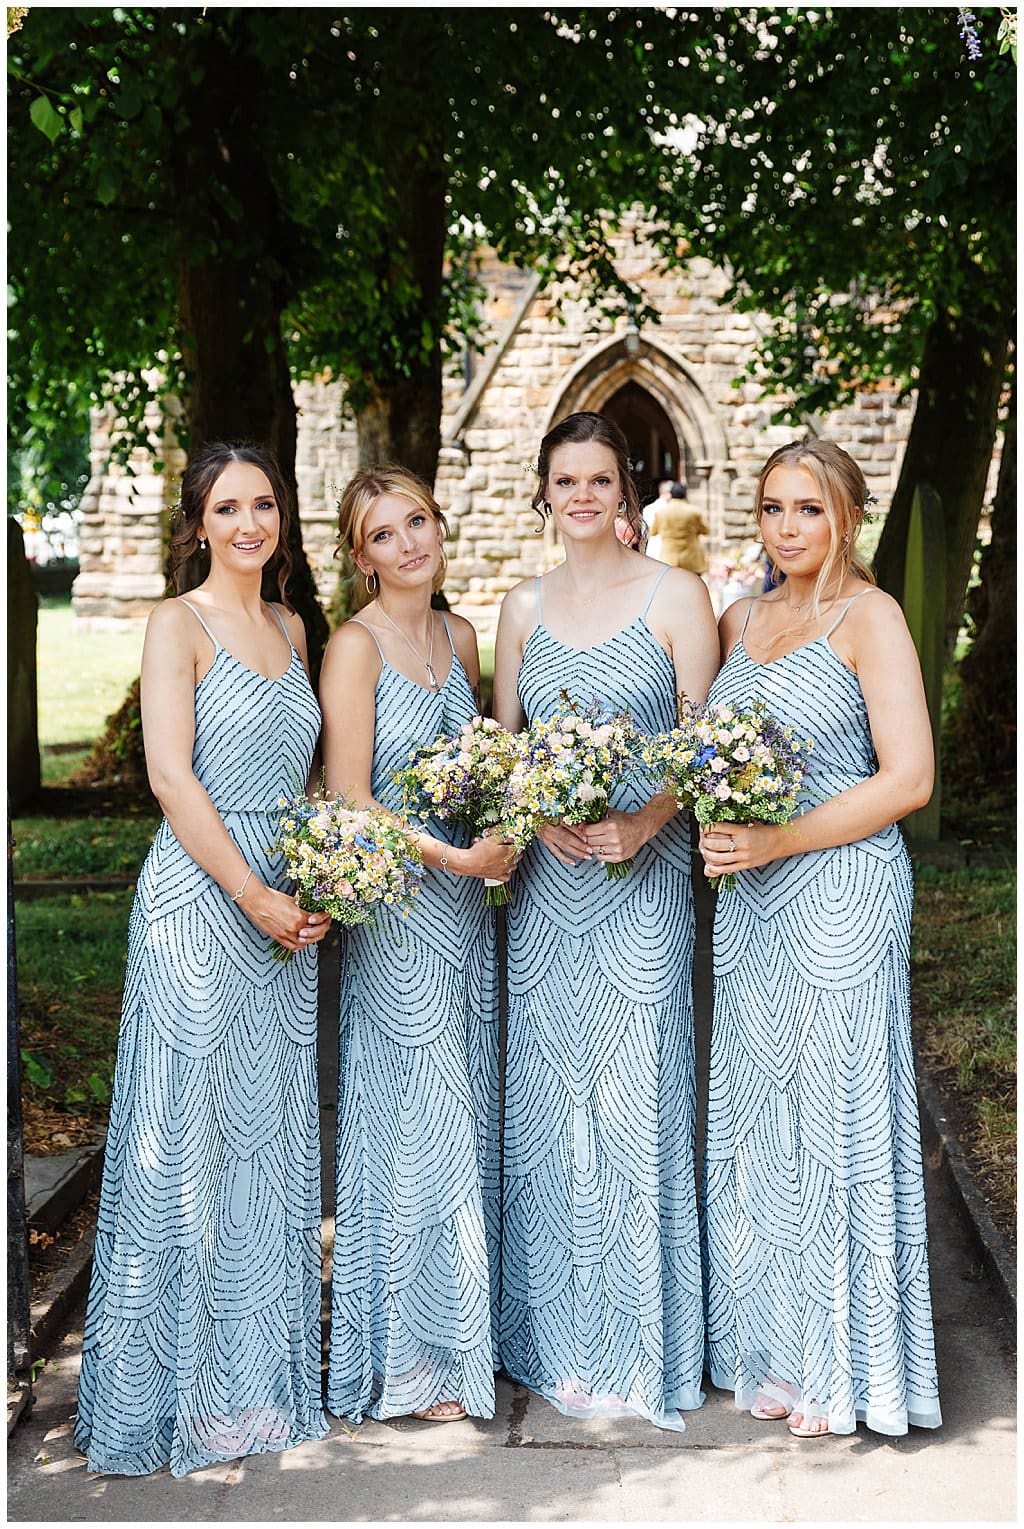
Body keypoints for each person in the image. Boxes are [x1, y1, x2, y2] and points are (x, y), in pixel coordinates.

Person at [74, 443, 332, 1477]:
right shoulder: (175, 623)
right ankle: (169, 1393)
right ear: (196, 524)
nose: (248, 523)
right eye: (227, 507)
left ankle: (253, 1384)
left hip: (287, 905)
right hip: (202, 897)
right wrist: (255, 892)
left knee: (264, 1140)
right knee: (186, 1139)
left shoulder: (293, 625)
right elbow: (174, 779)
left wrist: (319, 869)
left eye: (263, 503)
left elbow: (298, 770)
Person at [698, 437, 942, 1440]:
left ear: (845, 517)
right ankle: (779, 1347)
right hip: (750, 906)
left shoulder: (870, 618)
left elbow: (907, 778)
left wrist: (777, 836)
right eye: (770, 508)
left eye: (807, 509)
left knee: (834, 1118)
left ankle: (847, 1363)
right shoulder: (738, 618)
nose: (787, 527)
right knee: (762, 1123)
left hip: (839, 889)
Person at [491, 411, 719, 1430]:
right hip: (546, 892)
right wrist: (533, 818)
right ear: (543, 491)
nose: (581, 493)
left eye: (598, 477)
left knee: (635, 1095)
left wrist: (643, 818)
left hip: (643, 882)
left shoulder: (677, 594)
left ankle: (640, 1340)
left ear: (625, 489)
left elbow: (707, 746)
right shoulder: (518, 608)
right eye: (564, 478)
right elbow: (500, 754)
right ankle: (554, 1339)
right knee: (550, 1103)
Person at [319, 465, 516, 1426]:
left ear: (441, 528)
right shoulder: (353, 649)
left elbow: (475, 765)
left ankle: (459, 1337)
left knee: (460, 1110)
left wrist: (502, 834)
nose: (409, 544)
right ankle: (409, 1357)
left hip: (467, 907)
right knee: (414, 1118)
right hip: (399, 907)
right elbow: (353, 800)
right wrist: (455, 857)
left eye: (419, 523)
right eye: (385, 535)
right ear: (361, 558)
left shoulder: (462, 634)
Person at [648, 480, 709, 574]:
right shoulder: (694, 512)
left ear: (671, 494)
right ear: (685, 494)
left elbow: (653, 532)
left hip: (669, 558)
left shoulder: (661, 513)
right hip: (691, 558)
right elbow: (705, 530)